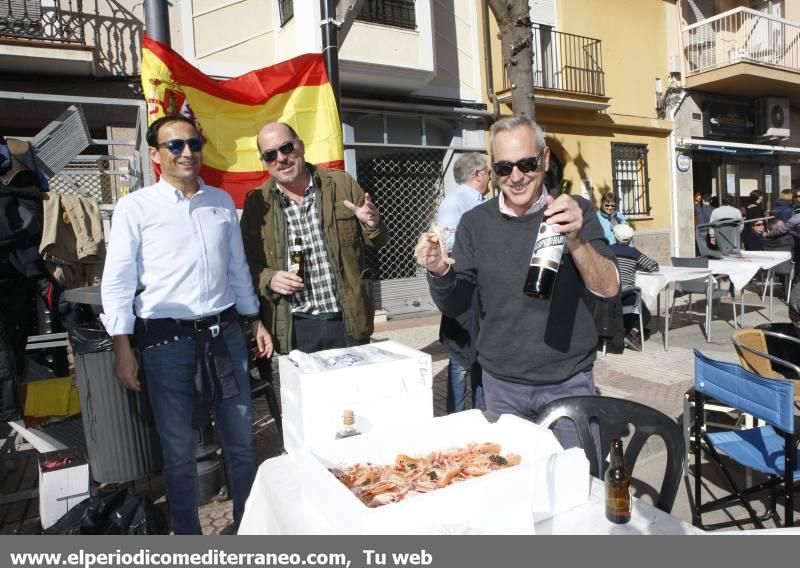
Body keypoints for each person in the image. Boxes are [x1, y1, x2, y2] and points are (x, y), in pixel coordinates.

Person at [101, 115, 273, 535]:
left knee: (240, 443)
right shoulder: (136, 208)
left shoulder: (219, 204)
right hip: (166, 343)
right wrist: (122, 346)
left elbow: (236, 270)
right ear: (155, 154)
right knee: (178, 453)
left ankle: (248, 527)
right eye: (174, 145)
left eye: (193, 144)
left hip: (225, 337)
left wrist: (254, 321)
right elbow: (119, 279)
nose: (187, 153)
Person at [415, 116, 619, 449]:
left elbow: (609, 289)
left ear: (545, 159)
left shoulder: (574, 211)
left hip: (569, 383)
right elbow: (457, 304)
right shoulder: (475, 223)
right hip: (502, 388)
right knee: (517, 488)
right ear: (493, 170)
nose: (517, 176)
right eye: (504, 168)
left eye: (527, 164)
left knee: (578, 485)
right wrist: (439, 270)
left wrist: (577, 240)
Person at [240, 122, 388, 355]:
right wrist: (269, 278)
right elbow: (244, 264)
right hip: (296, 326)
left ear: (301, 146)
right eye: (270, 155)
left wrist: (373, 224)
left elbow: (377, 241)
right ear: (264, 161)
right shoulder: (258, 204)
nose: (281, 159)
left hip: (347, 319)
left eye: (286, 148)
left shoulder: (341, 184)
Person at [437, 153, 490, 413]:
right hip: (464, 292)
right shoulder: (454, 202)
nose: (491, 176)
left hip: (484, 291)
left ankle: (481, 413)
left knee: (482, 354)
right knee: (460, 360)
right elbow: (448, 246)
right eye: (489, 171)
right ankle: (455, 417)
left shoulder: (484, 202)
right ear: (477, 174)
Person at [609, 224, 658, 352]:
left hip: (607, 295)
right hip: (625, 295)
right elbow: (653, 266)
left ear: (615, 237)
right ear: (630, 239)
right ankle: (632, 334)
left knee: (628, 313)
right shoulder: (633, 253)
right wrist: (637, 266)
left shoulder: (606, 251)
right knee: (645, 314)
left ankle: (628, 331)